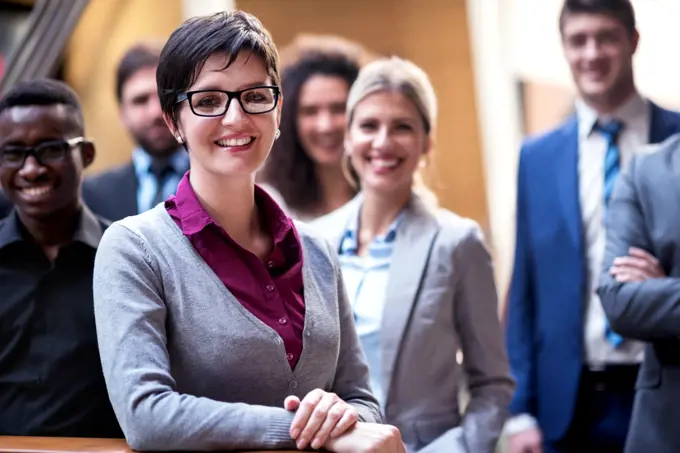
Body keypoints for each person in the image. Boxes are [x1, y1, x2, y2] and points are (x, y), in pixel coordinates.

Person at [92, 10, 404, 453]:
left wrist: (342, 416)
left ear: (278, 109)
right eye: (209, 100)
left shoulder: (316, 249)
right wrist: (299, 427)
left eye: (255, 96)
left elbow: (362, 404)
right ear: (172, 120)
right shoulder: (134, 248)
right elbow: (146, 415)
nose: (236, 118)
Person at [311, 56, 514, 452]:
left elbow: (492, 385)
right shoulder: (312, 241)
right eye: (369, 126)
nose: (383, 142)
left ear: (426, 143)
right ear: (349, 138)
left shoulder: (458, 243)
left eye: (402, 127)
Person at [504, 1, 680, 452]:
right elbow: (525, 287)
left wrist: (661, 292)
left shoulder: (675, 140)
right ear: (564, 48)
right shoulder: (537, 157)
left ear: (633, 41)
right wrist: (520, 408)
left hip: (665, 387)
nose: (592, 53)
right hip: (570, 402)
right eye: (578, 40)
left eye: (606, 37)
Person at [0, 78, 121, 438]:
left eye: (50, 149)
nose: (31, 168)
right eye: (13, 153)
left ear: (86, 155)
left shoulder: (126, 259)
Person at [598, 134, 680, 453]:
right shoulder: (646, 169)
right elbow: (619, 301)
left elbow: (644, 302)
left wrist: (659, 290)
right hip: (668, 427)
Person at [259, 35, 371, 220]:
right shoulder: (272, 205)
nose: (325, 126)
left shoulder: (385, 194)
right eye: (310, 111)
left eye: (338, 109)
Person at [82, 40, 189, 221]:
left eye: (165, 97)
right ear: (122, 113)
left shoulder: (222, 183)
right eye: (140, 100)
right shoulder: (92, 195)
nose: (156, 112)